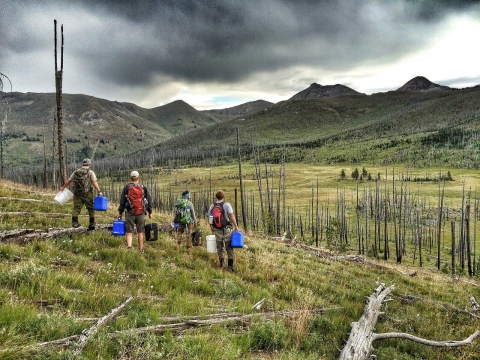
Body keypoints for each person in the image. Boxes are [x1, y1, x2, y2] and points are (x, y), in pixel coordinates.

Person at [60, 158, 102, 230]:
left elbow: (69, 180)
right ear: (89, 164)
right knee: (90, 209)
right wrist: (99, 191)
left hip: (77, 193)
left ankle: (75, 223)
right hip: (87, 193)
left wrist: (63, 187)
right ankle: (92, 224)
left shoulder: (76, 171)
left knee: (76, 208)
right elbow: (94, 182)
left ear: (83, 164)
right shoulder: (90, 172)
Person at [118, 170, 153, 252]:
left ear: (131, 178)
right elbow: (148, 200)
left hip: (130, 212)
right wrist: (150, 212)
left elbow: (122, 202)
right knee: (140, 231)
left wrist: (120, 212)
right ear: (138, 178)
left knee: (129, 231)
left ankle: (129, 247)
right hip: (141, 213)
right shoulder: (143, 187)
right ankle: (141, 250)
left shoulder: (127, 187)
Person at [208, 190, 239, 272]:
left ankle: (221, 264)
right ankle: (230, 267)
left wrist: (211, 227)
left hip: (216, 229)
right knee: (229, 247)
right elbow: (231, 216)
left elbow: (210, 218)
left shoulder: (212, 206)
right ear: (223, 197)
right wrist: (236, 226)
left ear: (216, 197)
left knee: (219, 247)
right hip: (226, 229)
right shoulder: (226, 205)